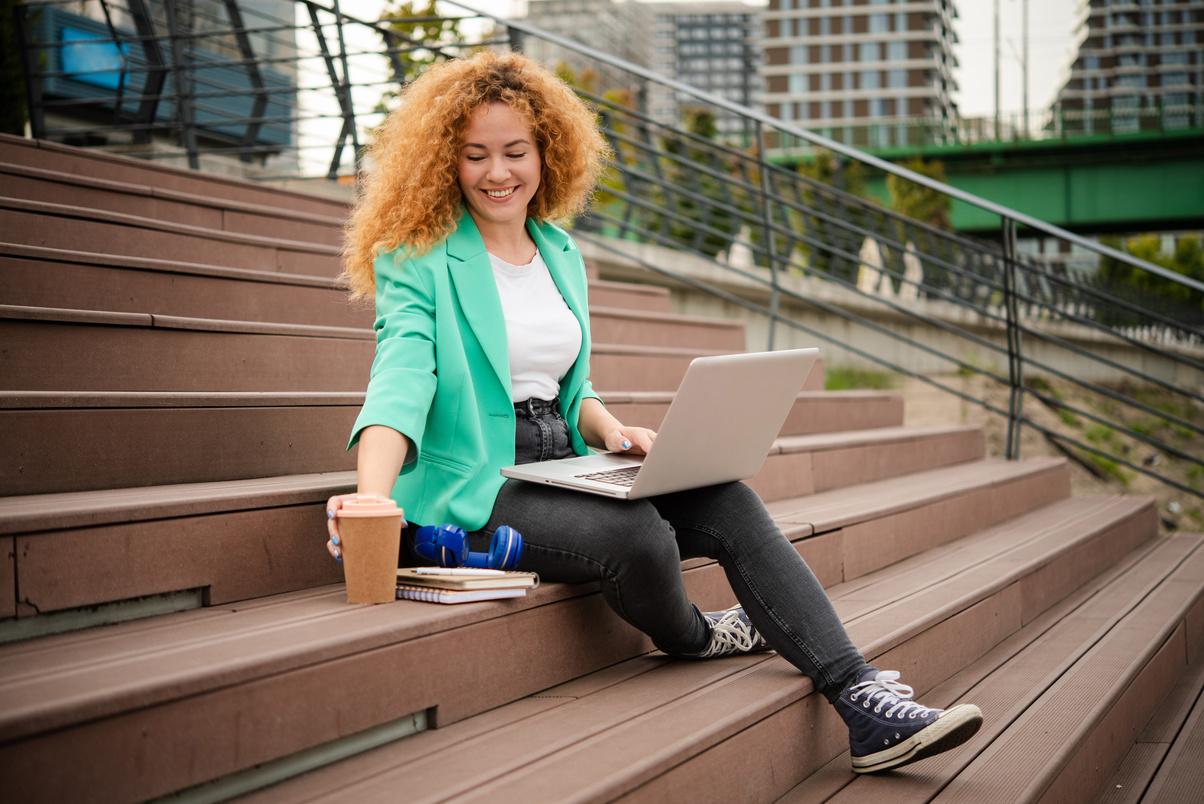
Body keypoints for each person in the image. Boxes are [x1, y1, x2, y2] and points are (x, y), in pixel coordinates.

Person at [325, 50, 982, 774]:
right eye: (475, 155)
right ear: (446, 159)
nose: (497, 172)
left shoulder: (558, 250)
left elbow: (569, 390)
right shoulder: (417, 255)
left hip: (565, 458)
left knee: (727, 499)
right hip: (481, 481)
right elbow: (402, 377)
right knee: (639, 534)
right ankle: (697, 636)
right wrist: (372, 501)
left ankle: (862, 699)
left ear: (548, 152)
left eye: (515, 151)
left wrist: (612, 431)